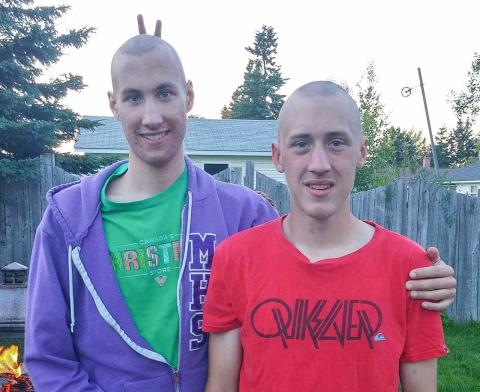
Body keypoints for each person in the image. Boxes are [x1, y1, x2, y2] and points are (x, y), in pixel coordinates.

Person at [24, 24, 454, 392]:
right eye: (134, 97)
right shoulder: (69, 220)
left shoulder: (243, 214)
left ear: (188, 96)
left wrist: (425, 276)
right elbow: (46, 356)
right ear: (113, 104)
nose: (151, 115)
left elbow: (310, 260)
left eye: (165, 93)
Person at [203, 81, 448, 392]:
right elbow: (221, 385)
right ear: (279, 156)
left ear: (361, 152)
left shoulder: (411, 269)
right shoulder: (235, 259)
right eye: (301, 144)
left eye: (336, 143)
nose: (319, 164)